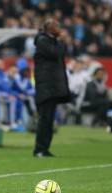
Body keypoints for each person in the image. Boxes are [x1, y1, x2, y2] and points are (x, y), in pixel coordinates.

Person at [33, 19, 71, 157]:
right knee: (45, 120)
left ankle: (45, 148)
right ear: (49, 28)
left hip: (52, 87)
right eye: (57, 26)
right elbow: (55, 53)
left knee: (49, 121)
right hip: (46, 87)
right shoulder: (42, 40)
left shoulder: (53, 41)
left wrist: (62, 41)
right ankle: (39, 149)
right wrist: (62, 40)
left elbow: (62, 52)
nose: (59, 28)